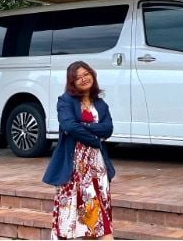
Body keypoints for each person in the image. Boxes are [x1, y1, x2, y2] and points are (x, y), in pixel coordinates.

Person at [43, 61, 115, 240]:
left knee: (96, 213)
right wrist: (93, 138)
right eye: (78, 77)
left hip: (97, 167)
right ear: (72, 82)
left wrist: (82, 125)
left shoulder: (100, 104)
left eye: (86, 74)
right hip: (74, 167)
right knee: (77, 215)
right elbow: (68, 125)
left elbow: (108, 129)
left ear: (92, 74)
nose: (83, 79)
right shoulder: (65, 100)